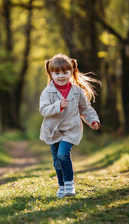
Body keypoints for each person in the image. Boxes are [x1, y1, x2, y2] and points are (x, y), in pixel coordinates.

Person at [39, 53, 101, 198]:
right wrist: (57, 105)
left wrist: (92, 120)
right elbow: (43, 110)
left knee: (63, 154)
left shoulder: (77, 91)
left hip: (71, 129)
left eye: (65, 72)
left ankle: (69, 183)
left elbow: (85, 108)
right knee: (57, 162)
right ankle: (61, 186)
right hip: (53, 130)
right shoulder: (47, 92)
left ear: (71, 72)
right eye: (57, 73)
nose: (61, 76)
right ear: (51, 74)